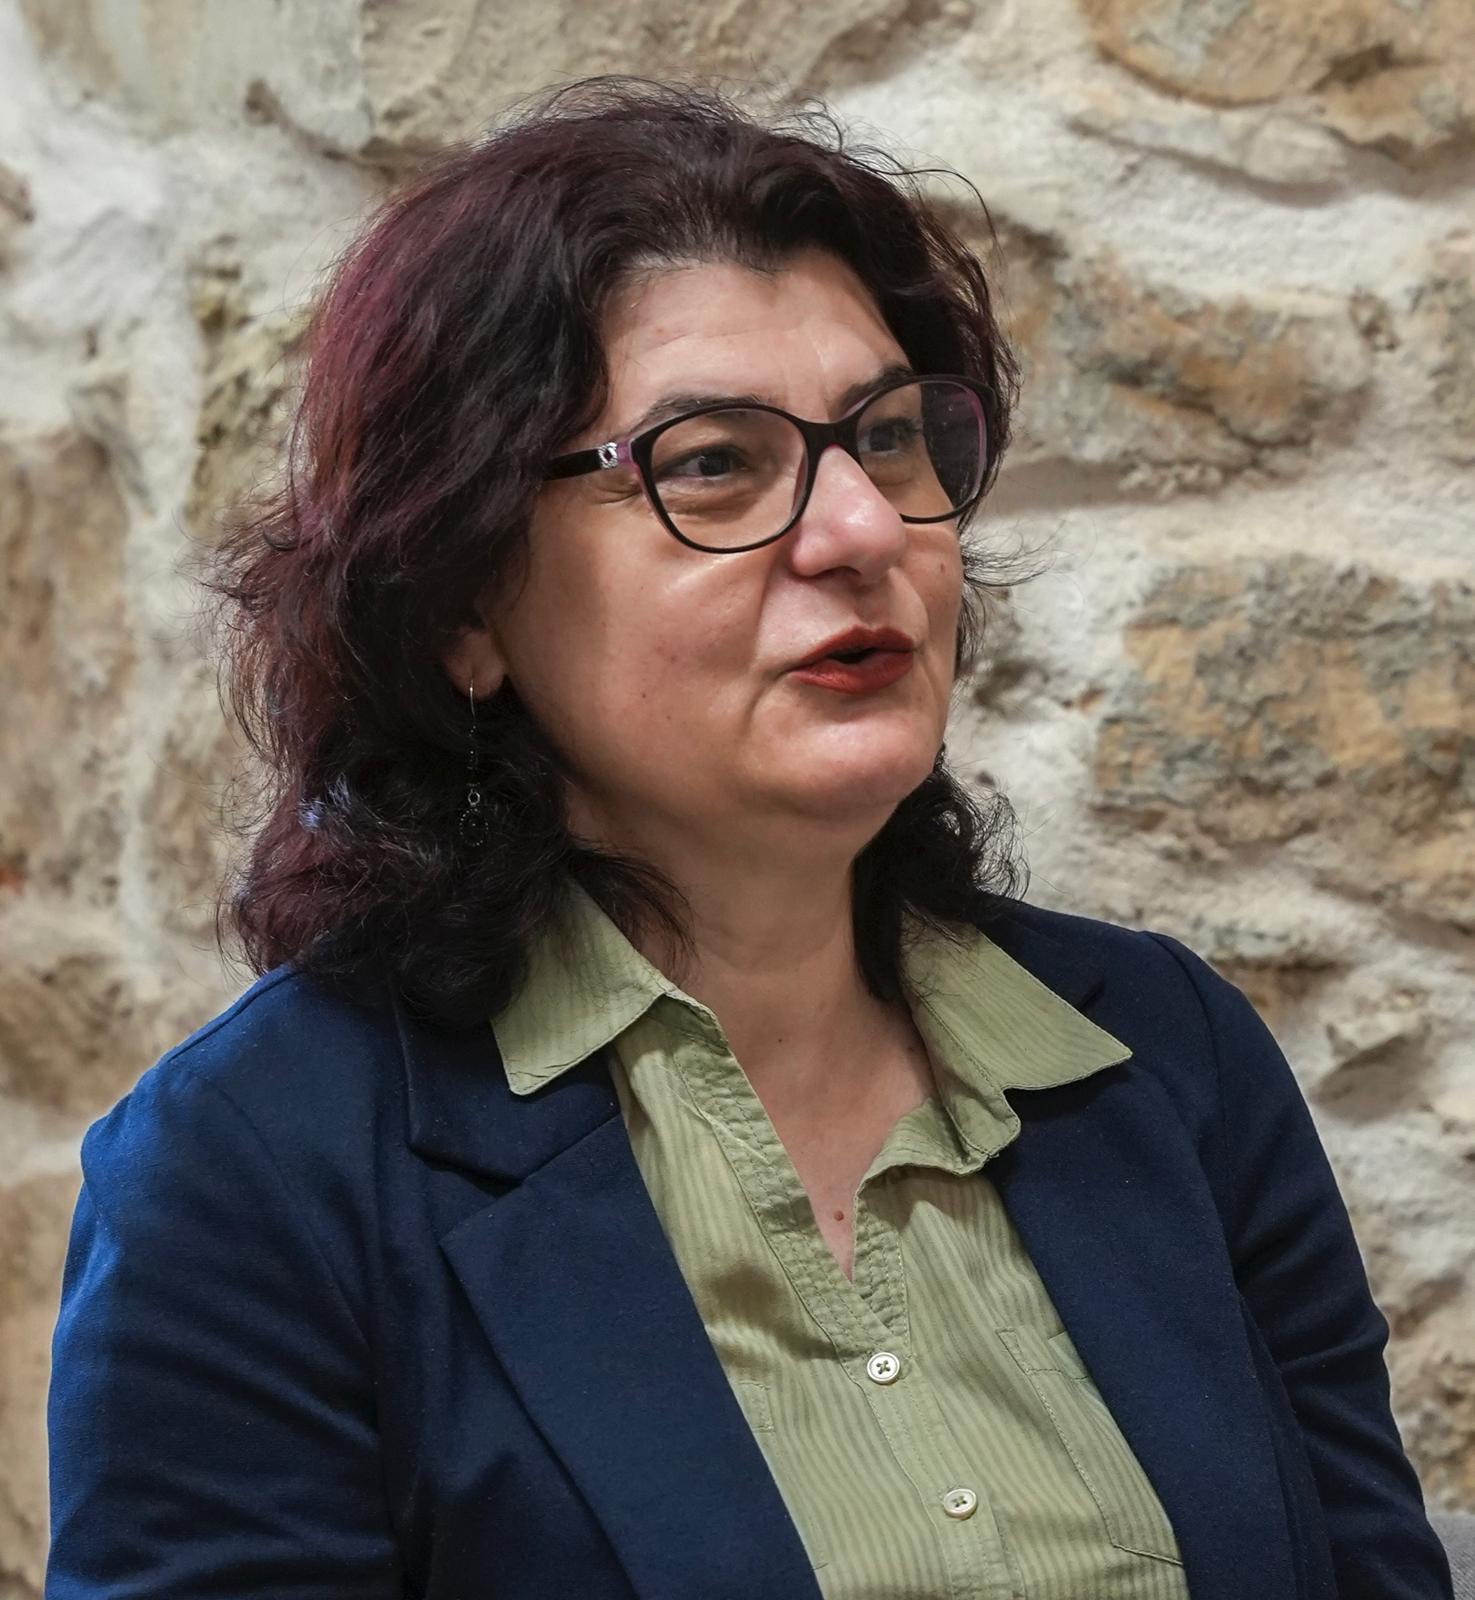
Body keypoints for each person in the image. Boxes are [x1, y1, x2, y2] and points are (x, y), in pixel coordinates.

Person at [44, 74, 1454, 1600]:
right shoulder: (256, 1175)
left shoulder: (1170, 1058)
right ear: (461, 608)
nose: (862, 530)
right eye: (713, 461)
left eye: (890, 438)